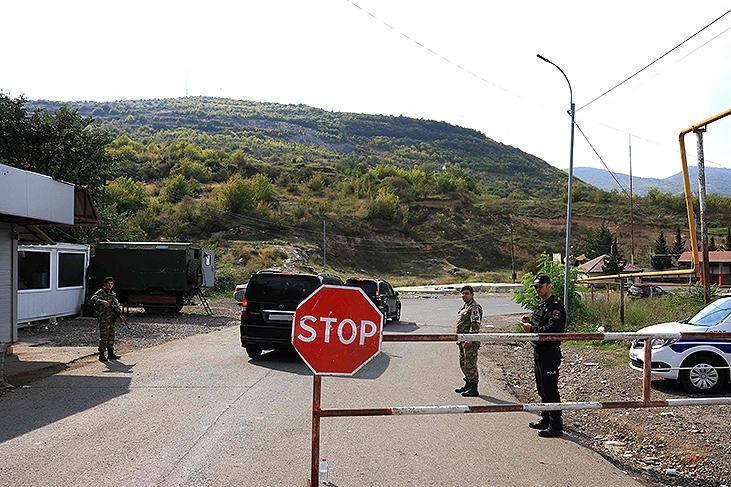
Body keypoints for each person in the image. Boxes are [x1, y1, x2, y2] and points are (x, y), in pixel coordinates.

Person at [521, 273, 566, 438]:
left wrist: (532, 330)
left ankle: (556, 425)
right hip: (539, 351)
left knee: (550, 389)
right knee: (541, 388)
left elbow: (554, 330)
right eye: (535, 287)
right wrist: (530, 324)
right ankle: (546, 418)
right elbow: (542, 326)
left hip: (550, 353)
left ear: (549, 286)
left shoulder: (555, 307)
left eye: (540, 286)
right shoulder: (542, 306)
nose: (537, 289)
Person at [454, 285, 483, 397]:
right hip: (462, 340)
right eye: (463, 293)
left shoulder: (474, 307)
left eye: (466, 293)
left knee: (470, 364)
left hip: (469, 341)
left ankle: (474, 389)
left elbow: (475, 325)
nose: (464, 295)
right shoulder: (466, 306)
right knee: (463, 363)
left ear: (472, 294)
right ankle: (468, 384)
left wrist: (470, 339)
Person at [90, 276, 122, 362]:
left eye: (111, 284)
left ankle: (111, 353)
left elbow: (116, 304)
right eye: (108, 284)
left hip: (111, 318)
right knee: (104, 336)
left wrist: (119, 312)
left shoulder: (112, 294)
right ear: (105, 284)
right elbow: (93, 299)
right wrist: (102, 301)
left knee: (111, 335)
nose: (110, 285)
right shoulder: (101, 292)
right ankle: (101, 354)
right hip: (104, 317)